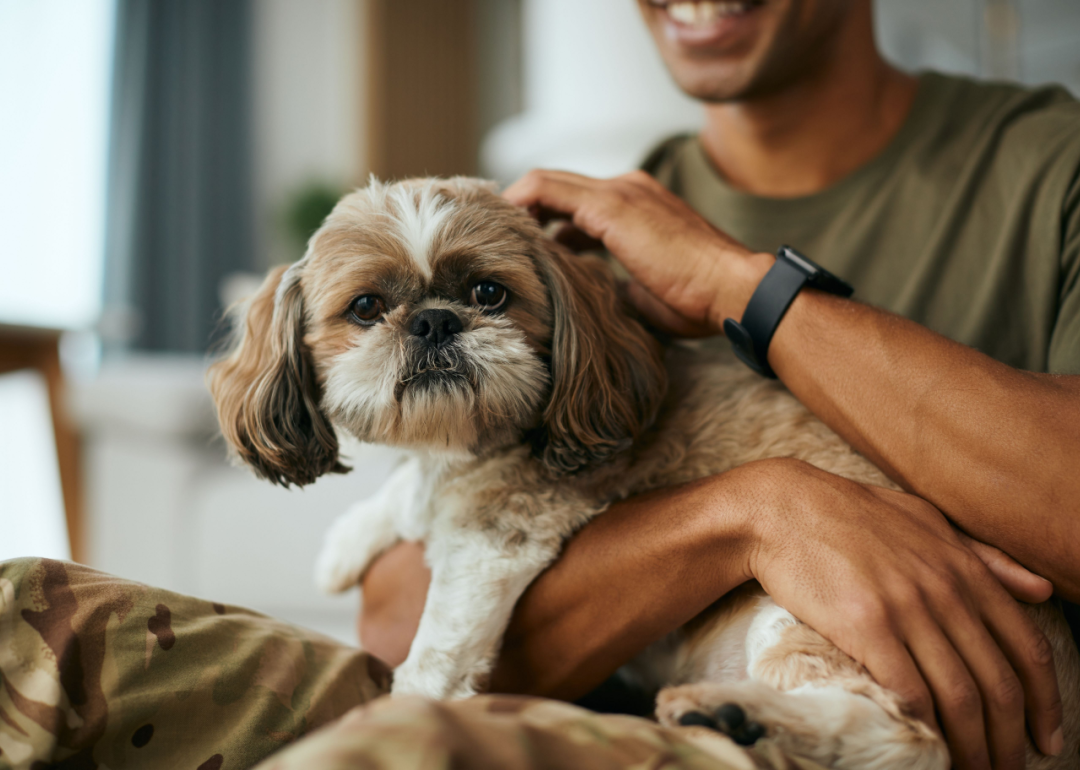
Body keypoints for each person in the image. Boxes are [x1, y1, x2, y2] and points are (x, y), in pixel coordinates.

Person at [359, 1, 1080, 769]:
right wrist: (755, 518)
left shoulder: (1048, 165)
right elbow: (397, 622)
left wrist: (738, 286)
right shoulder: (588, 231)